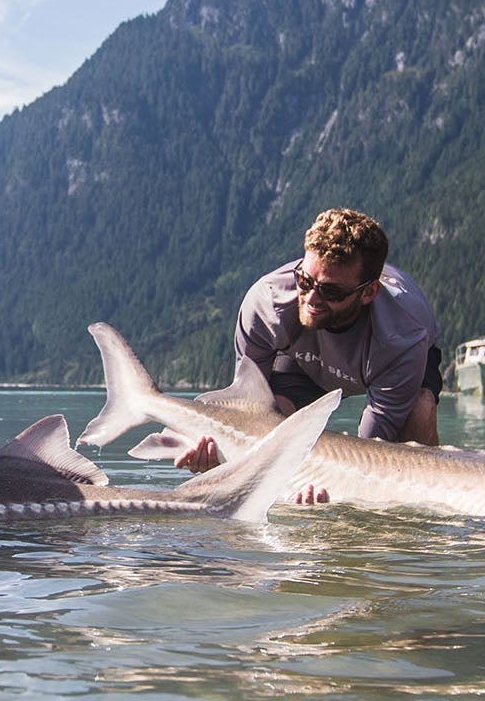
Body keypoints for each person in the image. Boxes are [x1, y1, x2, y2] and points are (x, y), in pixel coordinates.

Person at [178, 207, 444, 490]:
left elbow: (373, 447)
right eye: (305, 281)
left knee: (418, 415)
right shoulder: (268, 305)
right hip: (304, 359)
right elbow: (249, 408)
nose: (311, 299)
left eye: (331, 291)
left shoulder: (403, 335)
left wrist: (336, 487)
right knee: (273, 418)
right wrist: (219, 454)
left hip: (385, 357)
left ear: (368, 293)